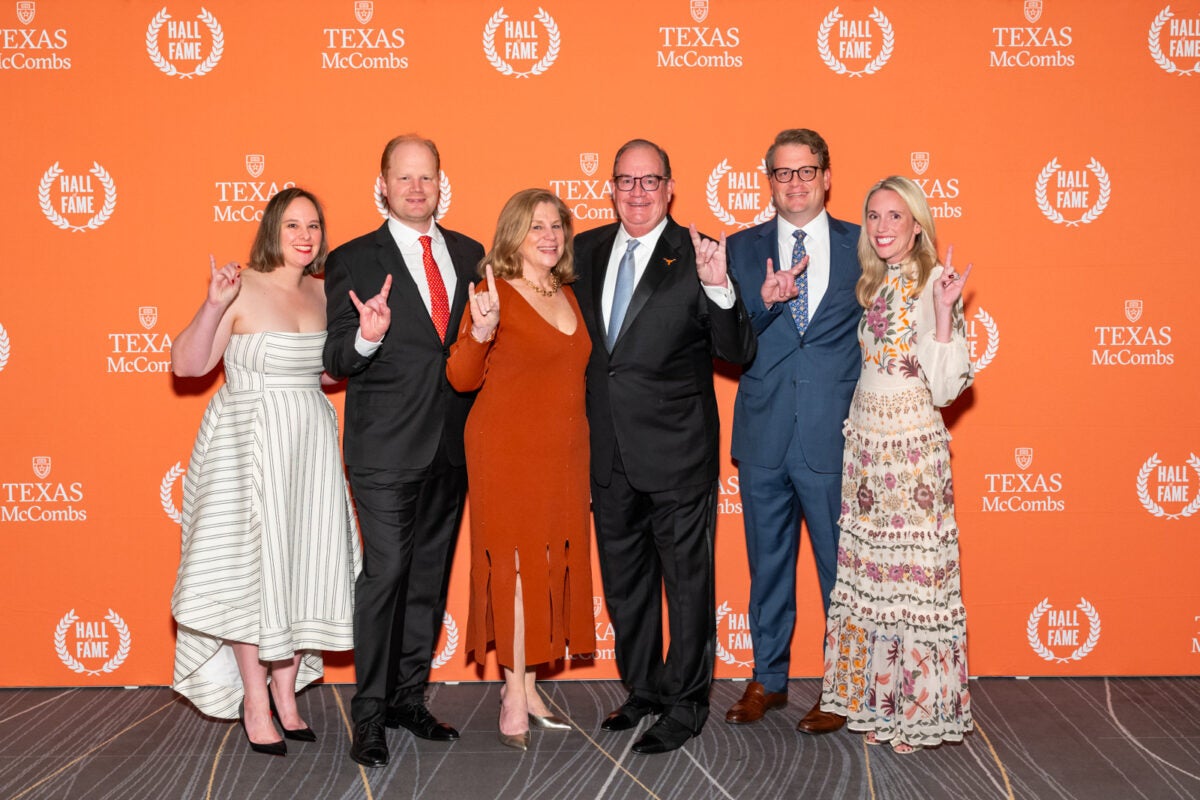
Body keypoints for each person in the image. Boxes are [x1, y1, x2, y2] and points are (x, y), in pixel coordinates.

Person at [573, 139, 757, 755]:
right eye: (626, 181)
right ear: (611, 188)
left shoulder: (697, 253)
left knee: (686, 585)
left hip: (678, 454)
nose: (638, 193)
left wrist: (720, 287)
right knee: (625, 585)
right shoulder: (585, 251)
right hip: (609, 453)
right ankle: (645, 689)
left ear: (670, 188)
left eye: (650, 181)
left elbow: (737, 349)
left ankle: (686, 703)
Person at [170, 187, 367, 757]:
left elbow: (327, 374)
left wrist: (367, 339)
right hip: (247, 444)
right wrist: (213, 305)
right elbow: (188, 365)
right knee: (249, 572)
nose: (305, 236)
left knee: (299, 563)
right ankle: (254, 701)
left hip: (309, 443)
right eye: (293, 226)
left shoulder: (326, 291)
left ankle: (287, 694)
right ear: (272, 231)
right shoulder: (240, 286)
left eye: (313, 226)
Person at [323, 135, 485, 768]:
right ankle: (368, 716)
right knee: (386, 574)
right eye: (404, 177)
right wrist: (366, 338)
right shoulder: (351, 259)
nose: (417, 188)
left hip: (452, 444)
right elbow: (336, 358)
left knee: (428, 577)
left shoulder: (470, 254)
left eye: (427, 177)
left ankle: (407, 700)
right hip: (386, 449)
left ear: (441, 183)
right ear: (383, 185)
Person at [819, 176, 975, 754]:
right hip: (867, 449)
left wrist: (943, 313)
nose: (883, 227)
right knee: (877, 580)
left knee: (911, 581)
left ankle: (916, 712)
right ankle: (879, 703)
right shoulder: (876, 283)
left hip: (909, 454)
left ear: (917, 226)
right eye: (874, 216)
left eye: (895, 216)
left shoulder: (935, 282)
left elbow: (945, 388)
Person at [446, 189, 595, 751]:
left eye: (556, 226)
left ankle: (530, 688)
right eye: (536, 227)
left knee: (548, 565)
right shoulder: (494, 294)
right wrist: (481, 331)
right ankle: (512, 693)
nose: (549, 236)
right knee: (513, 567)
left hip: (564, 452)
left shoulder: (566, 292)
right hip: (505, 449)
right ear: (513, 234)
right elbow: (461, 377)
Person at [723, 129, 861, 734]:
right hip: (764, 434)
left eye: (806, 171)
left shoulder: (864, 244)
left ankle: (843, 685)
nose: (796, 183)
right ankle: (768, 679)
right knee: (768, 566)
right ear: (770, 181)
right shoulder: (738, 249)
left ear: (826, 177)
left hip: (836, 433)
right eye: (783, 173)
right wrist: (764, 301)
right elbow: (727, 341)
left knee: (841, 571)